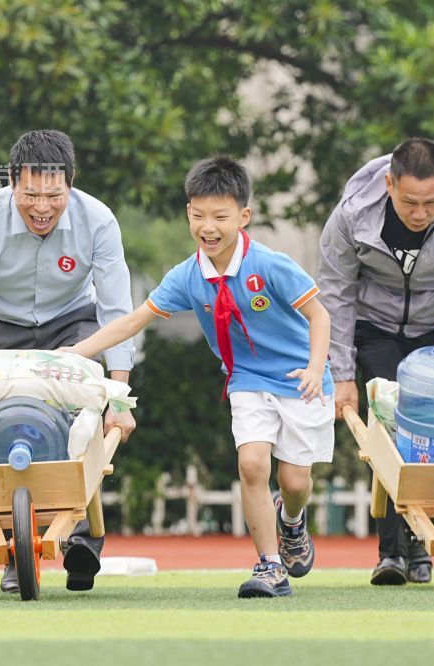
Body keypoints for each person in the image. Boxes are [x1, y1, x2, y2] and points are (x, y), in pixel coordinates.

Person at [61, 155, 334, 598]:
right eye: (198, 215)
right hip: (246, 378)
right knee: (251, 465)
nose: (208, 227)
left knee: (295, 482)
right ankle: (269, 567)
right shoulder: (187, 277)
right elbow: (131, 322)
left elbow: (319, 317)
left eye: (220, 217)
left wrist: (317, 367)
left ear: (243, 216)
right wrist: (73, 353)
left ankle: (291, 520)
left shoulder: (270, 265)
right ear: (188, 212)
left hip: (302, 378)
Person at [0, 129, 137, 594]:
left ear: (71, 184)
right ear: (11, 182)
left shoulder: (99, 221)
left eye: (54, 195)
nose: (42, 207)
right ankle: (15, 548)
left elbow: (116, 308)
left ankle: (84, 538)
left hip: (72, 323)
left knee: (84, 411)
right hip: (0, 326)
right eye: (30, 194)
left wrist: (120, 398)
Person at [317, 137, 434, 585]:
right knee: (390, 426)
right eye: (409, 202)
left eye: (430, 202)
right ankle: (392, 554)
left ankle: (426, 542)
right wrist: (341, 374)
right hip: (374, 326)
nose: (420, 214)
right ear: (388, 184)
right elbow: (335, 294)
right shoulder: (349, 215)